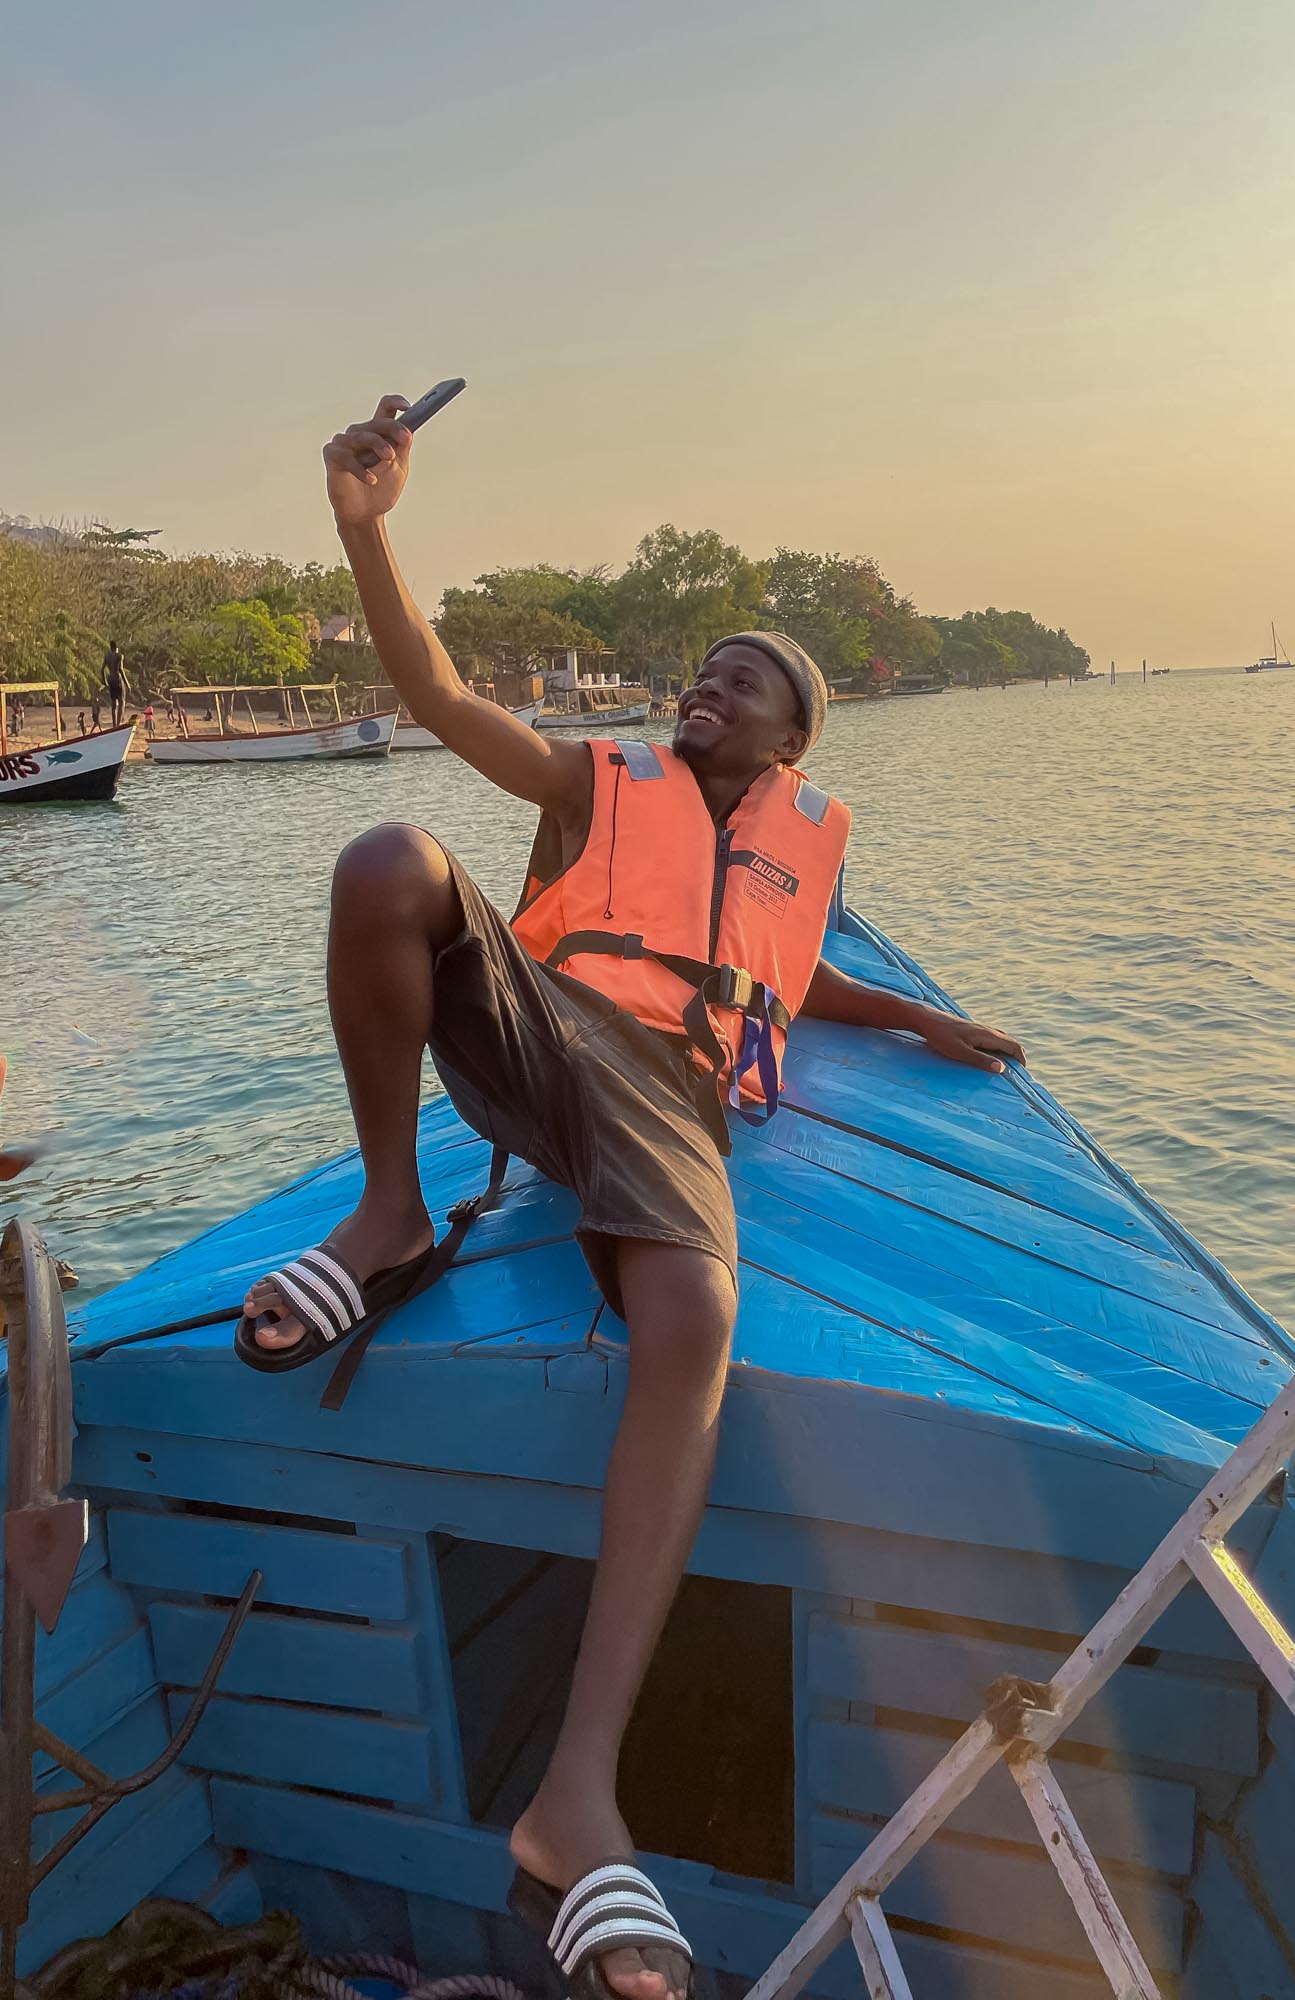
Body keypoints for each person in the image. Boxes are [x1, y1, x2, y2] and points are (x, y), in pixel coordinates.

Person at [237, 396, 1026, 2000]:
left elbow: (789, 987)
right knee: (392, 854)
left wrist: (927, 1017)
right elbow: (439, 693)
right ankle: (387, 1209)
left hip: (671, 1095)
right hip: (547, 1038)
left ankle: (575, 1795)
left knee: (694, 1315)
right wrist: (368, 529)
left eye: (739, 680)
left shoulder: (801, 857)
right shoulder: (602, 785)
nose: (706, 687)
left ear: (791, 739)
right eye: (705, 667)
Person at [104, 639, 125, 725]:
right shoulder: (119, 656)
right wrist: (127, 683)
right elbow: (121, 669)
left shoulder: (107, 657)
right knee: (121, 702)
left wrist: (105, 681)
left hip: (110, 680)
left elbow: (102, 669)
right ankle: (118, 724)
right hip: (117, 679)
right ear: (116, 648)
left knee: (113, 704)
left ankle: (114, 725)